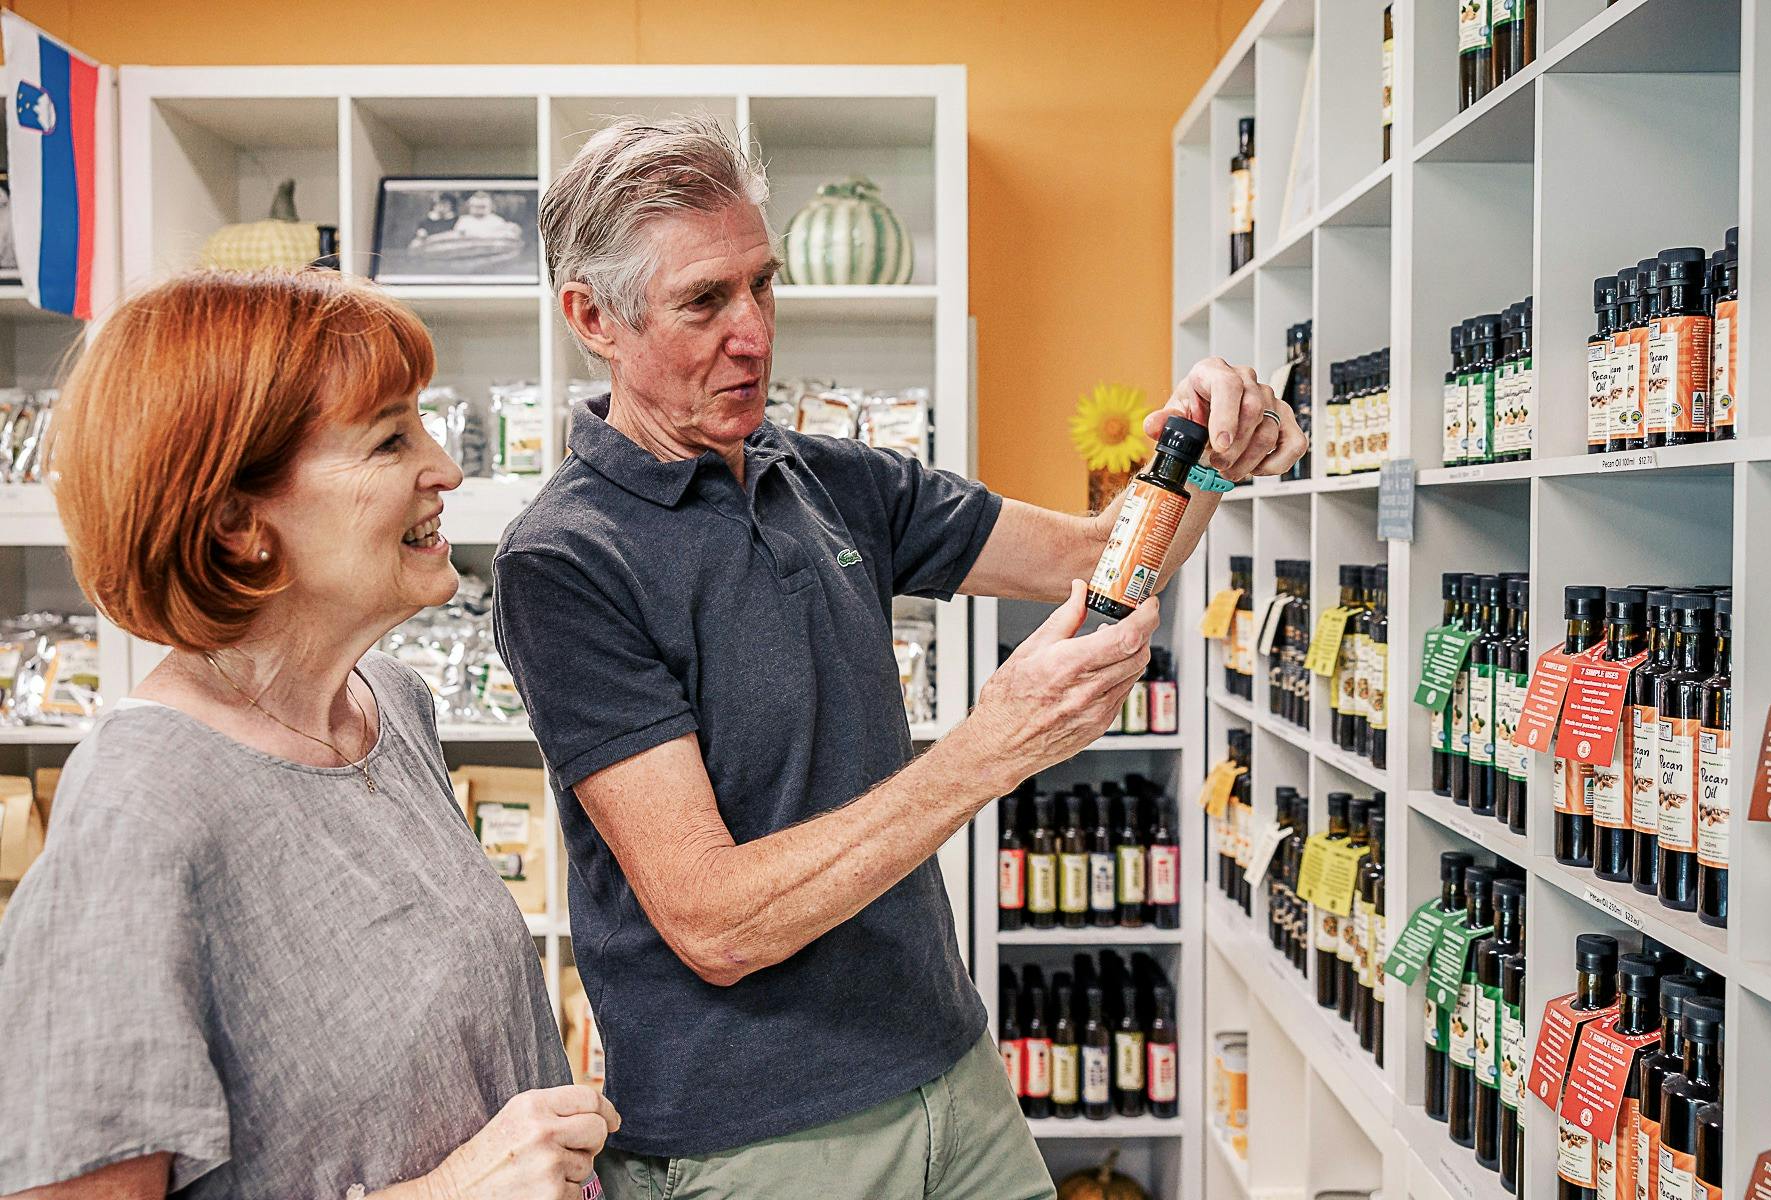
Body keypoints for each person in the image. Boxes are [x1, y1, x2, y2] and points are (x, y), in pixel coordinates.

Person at [496, 113, 1305, 1200]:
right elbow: (714, 921)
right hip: (758, 1143)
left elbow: (1096, 559)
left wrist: (1196, 456)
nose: (754, 333)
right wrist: (989, 747)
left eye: (762, 285)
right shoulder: (563, 562)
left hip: (952, 1074)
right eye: (703, 301)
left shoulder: (830, 477)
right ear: (592, 318)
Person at [0, 270, 619, 1200]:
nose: (446, 469)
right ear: (237, 522)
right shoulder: (139, 809)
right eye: (389, 439)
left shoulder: (389, 708)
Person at [452, 191, 522, 242]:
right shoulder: (464, 220)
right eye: (476, 207)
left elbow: (508, 236)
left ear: (490, 207)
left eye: (482, 207)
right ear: (470, 207)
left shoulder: (497, 220)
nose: (479, 210)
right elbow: (456, 237)